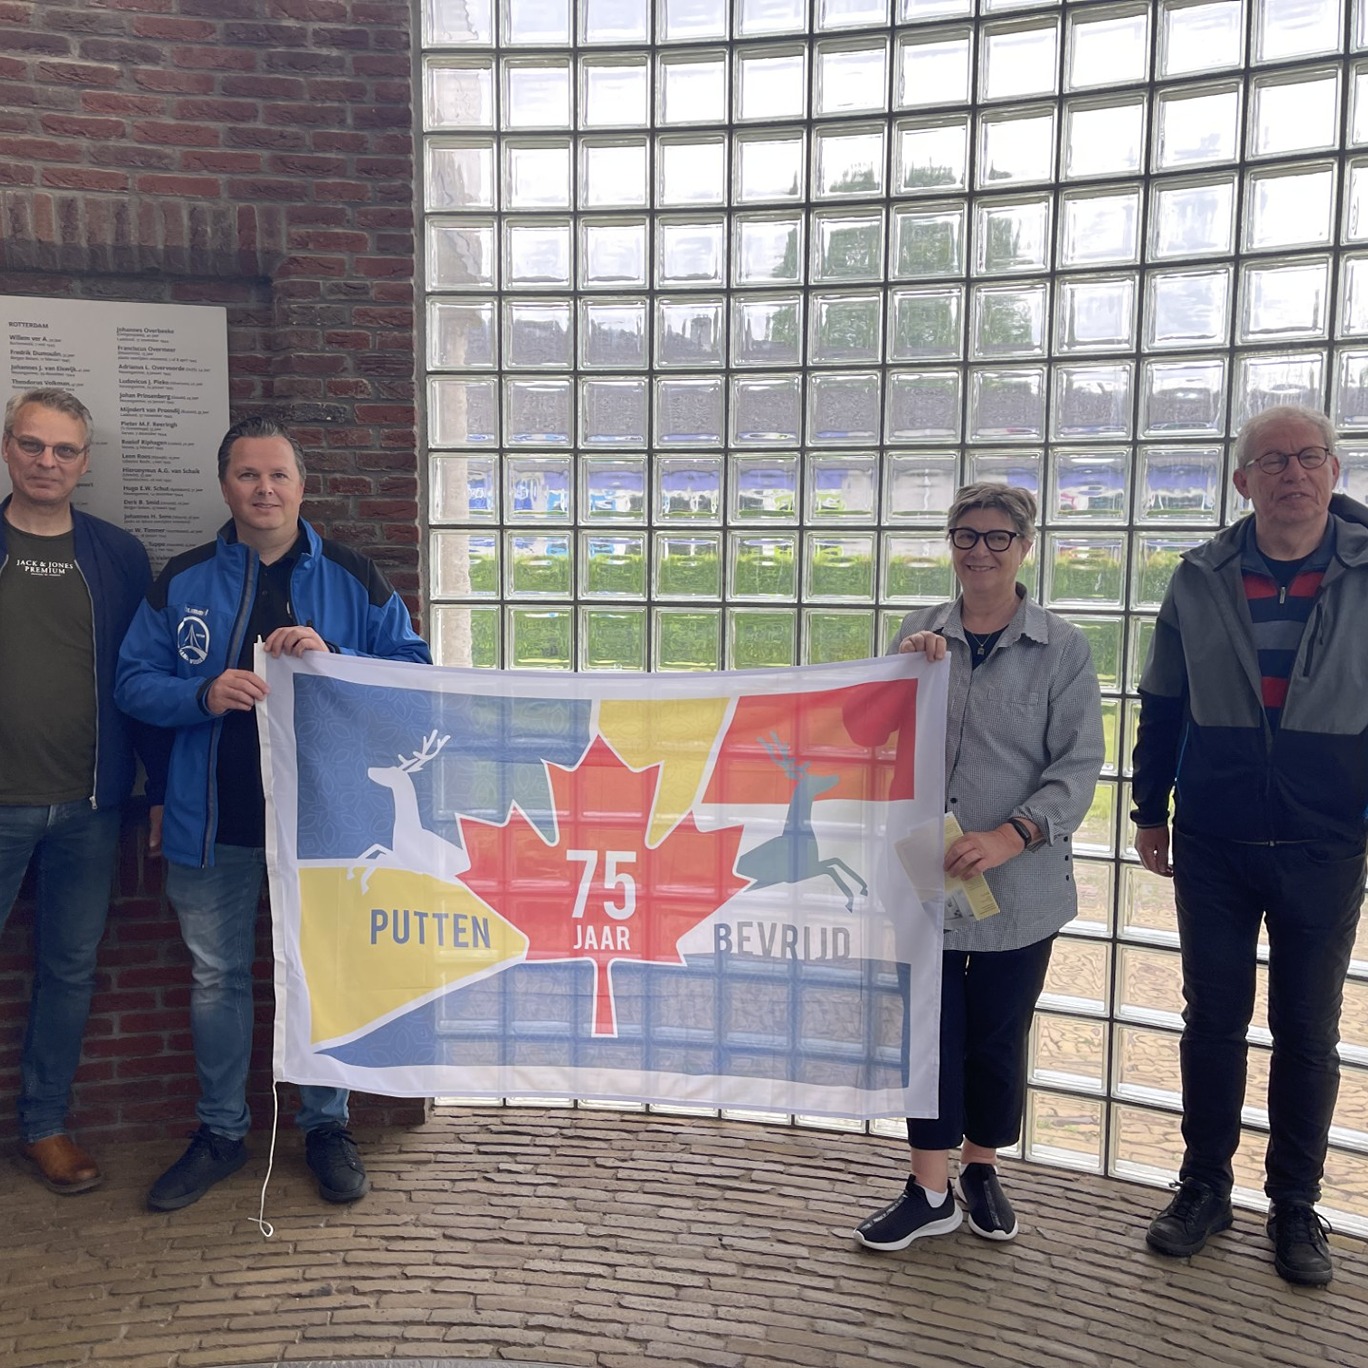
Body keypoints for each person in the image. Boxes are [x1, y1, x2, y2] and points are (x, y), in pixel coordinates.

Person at [115, 415, 431, 1212]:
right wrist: (202, 692)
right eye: (247, 475)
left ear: (302, 485)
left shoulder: (355, 577)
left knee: (326, 977)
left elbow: (414, 676)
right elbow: (129, 684)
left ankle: (327, 1125)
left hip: (327, 825)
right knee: (218, 979)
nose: (263, 489)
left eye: (278, 475)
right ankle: (222, 1132)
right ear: (225, 485)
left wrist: (335, 662)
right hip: (212, 822)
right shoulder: (181, 580)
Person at [1133, 404, 1368, 1287]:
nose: (1293, 473)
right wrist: (1149, 810)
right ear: (1243, 482)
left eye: (1310, 457)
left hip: (1325, 842)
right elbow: (1162, 701)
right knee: (1213, 1024)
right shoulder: (1201, 576)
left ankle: (1296, 1208)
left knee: (1308, 1033)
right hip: (1218, 839)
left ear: (1335, 472)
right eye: (1272, 460)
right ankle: (1203, 1188)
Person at [853, 482, 1103, 1250]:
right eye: (967, 535)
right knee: (926, 1031)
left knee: (997, 1034)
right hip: (925, 876)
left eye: (999, 537)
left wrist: (1011, 834)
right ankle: (930, 1189)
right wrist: (898, 674)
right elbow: (867, 735)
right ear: (950, 544)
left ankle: (982, 1166)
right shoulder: (916, 631)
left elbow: (1078, 766)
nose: (981, 551)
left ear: (1026, 548)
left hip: (1018, 885)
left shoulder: (1061, 649)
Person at [0, 386, 161, 1193]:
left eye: (64, 450)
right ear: (8, 450)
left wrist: (152, 789)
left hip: (90, 809)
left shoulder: (117, 555)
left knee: (67, 970)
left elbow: (143, 676)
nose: (47, 462)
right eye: (33, 445)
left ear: (85, 462)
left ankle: (45, 1125)